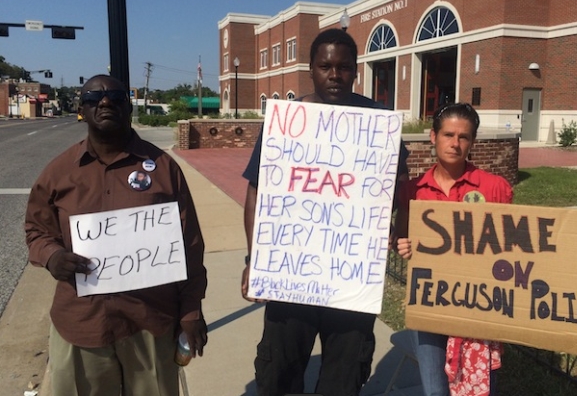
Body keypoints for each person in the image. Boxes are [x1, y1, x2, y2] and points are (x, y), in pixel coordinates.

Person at [241, 28, 409, 396]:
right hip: (291, 276)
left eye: (344, 67)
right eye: (325, 66)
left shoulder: (378, 123)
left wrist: (395, 223)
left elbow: (399, 185)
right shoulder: (286, 122)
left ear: (355, 70)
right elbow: (257, 192)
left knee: (343, 378)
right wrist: (256, 259)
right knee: (279, 375)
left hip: (350, 277)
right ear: (312, 70)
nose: (335, 74)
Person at [25, 74, 208, 396]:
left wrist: (191, 309)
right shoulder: (59, 171)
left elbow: (189, 244)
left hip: (151, 320)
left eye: (116, 97)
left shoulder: (164, 168)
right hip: (82, 322)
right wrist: (51, 256)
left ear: (129, 105)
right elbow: (37, 229)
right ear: (82, 108)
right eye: (94, 98)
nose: (105, 102)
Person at [394, 102, 513, 396]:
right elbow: (401, 240)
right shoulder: (413, 190)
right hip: (431, 304)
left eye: (463, 137)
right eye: (448, 135)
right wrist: (404, 246)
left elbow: (512, 250)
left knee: (479, 391)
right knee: (435, 390)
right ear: (433, 137)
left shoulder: (495, 188)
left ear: (472, 141)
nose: (455, 143)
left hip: (477, 307)